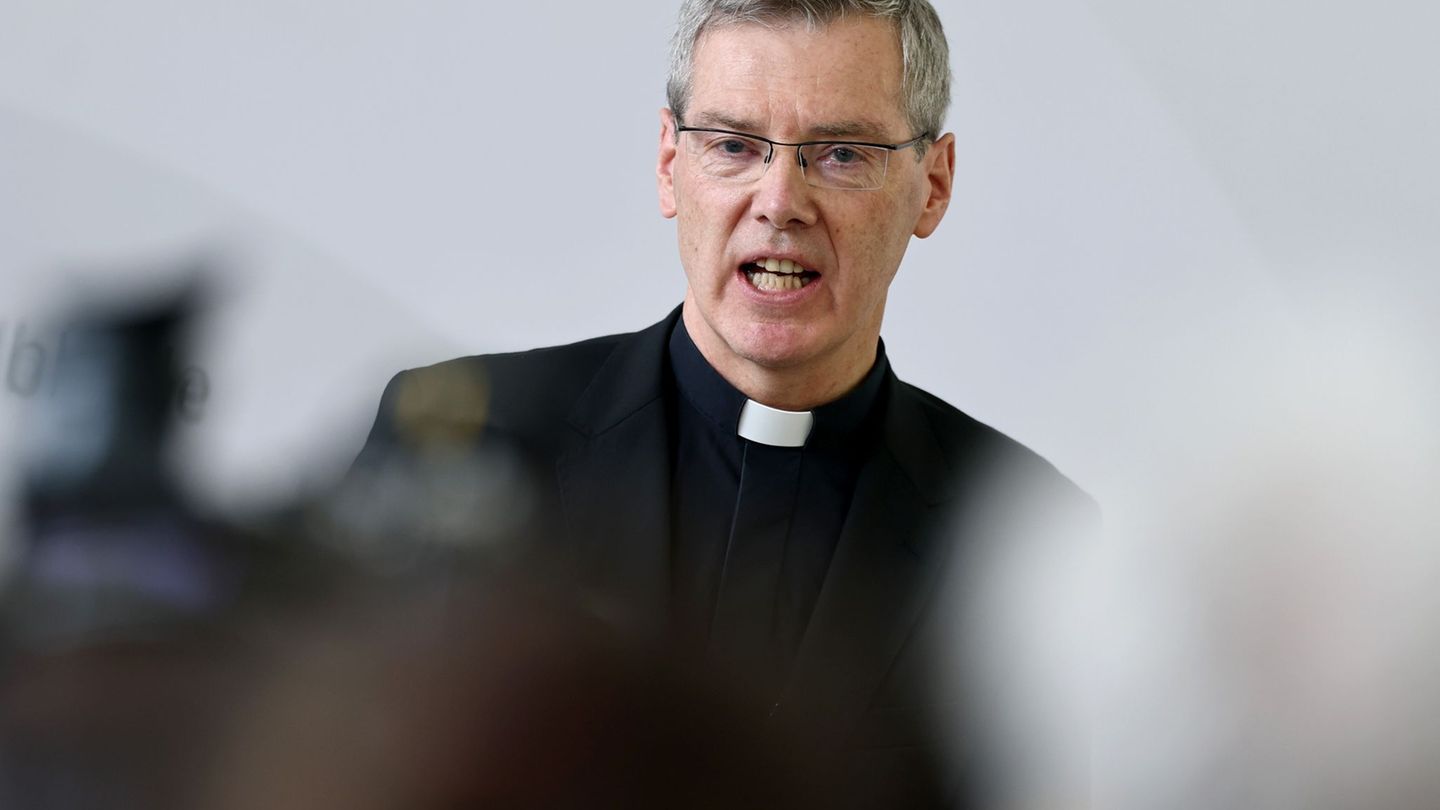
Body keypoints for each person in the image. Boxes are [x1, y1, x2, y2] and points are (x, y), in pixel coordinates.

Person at [352, 1, 1091, 806]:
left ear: (933, 187)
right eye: (735, 146)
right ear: (670, 166)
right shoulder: (467, 438)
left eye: (840, 153)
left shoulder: (1029, 541)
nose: (780, 202)